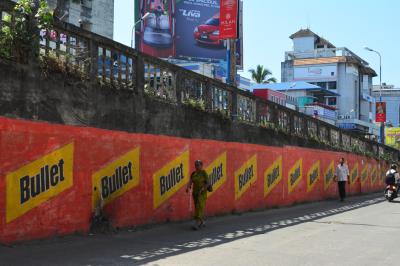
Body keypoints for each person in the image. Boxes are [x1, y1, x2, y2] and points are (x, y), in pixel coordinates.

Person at [186, 160, 209, 230]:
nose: (197, 166)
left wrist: (203, 189)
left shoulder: (204, 173)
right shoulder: (194, 173)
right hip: (195, 193)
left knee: (199, 206)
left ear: (202, 165)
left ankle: (196, 223)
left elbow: (208, 183)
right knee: (197, 207)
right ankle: (202, 222)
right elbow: (190, 181)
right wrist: (188, 187)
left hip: (202, 193)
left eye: (198, 165)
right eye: (196, 165)